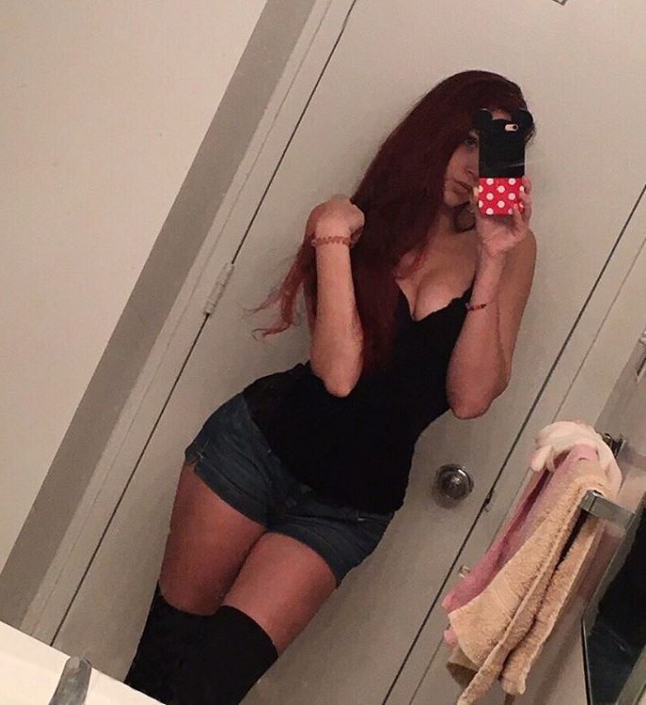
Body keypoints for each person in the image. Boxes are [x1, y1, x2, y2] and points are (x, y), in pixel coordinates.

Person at [124, 70, 537, 705]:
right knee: (160, 662)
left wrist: (492, 259)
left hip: (346, 508)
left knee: (211, 687)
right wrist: (332, 238)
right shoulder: (359, 221)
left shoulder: (511, 249)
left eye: (493, 150)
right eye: (466, 140)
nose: (472, 165)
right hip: (252, 453)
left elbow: (471, 398)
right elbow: (339, 371)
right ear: (433, 131)